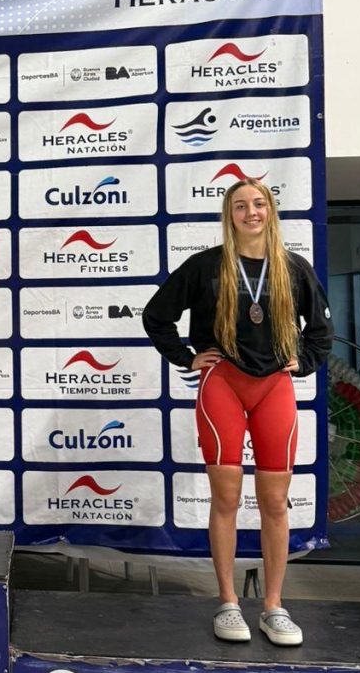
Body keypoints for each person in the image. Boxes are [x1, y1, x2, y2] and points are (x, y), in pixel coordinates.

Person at [143, 178, 333, 646]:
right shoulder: (206, 266)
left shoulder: (293, 268)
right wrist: (187, 357)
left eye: (259, 204)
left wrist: (304, 361)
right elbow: (156, 316)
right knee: (226, 499)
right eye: (241, 206)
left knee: (274, 502)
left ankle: (274, 606)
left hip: (274, 389)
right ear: (229, 215)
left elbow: (321, 331)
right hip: (222, 385)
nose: (251, 212)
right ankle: (228, 602)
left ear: (271, 211)